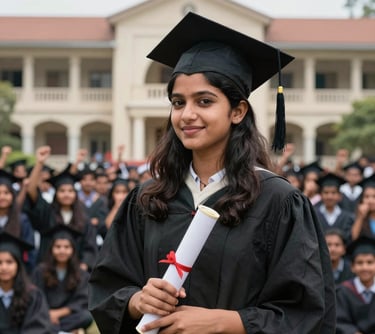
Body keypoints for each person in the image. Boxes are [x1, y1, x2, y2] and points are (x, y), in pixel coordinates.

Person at [88, 12, 335, 334]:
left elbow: (308, 312)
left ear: (237, 111)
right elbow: (108, 286)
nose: (187, 115)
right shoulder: (147, 198)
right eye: (178, 102)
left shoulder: (278, 201)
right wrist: (138, 301)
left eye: (204, 101)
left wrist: (228, 322)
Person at [24, 146, 98, 271]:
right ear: (56, 194)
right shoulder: (47, 213)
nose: (66, 194)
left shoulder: (83, 218)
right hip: (48, 269)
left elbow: (90, 246)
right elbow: (31, 191)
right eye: (62, 191)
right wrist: (40, 163)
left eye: (70, 191)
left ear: (75, 194)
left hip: (76, 272)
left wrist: (84, 265)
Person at [31, 224, 94, 333]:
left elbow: (81, 301)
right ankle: (65, 331)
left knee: (86, 316)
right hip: (44, 314)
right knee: (33, 317)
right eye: (58, 247)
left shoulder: (81, 274)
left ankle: (53, 331)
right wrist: (48, 313)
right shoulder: (40, 271)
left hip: (67, 316)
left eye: (66, 247)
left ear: (73, 250)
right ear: (51, 249)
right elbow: (36, 296)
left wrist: (57, 314)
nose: (62, 251)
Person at [0, 231, 53, 333]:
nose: (4, 267)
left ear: (18, 265)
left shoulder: (33, 296)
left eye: (9, 262)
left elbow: (38, 328)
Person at [335, 236, 375, 333]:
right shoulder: (343, 291)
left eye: (370, 262)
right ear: (352, 267)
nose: (365, 267)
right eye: (360, 263)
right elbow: (338, 321)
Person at [314, 172, 354, 244]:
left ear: (340, 196)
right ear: (320, 195)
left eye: (333, 193)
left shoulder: (348, 217)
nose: (330, 196)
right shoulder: (313, 215)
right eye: (326, 192)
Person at [351, 174, 375, 241]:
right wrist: (360, 217)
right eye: (366, 197)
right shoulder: (355, 217)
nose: (370, 200)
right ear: (362, 199)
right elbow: (354, 238)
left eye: (374, 197)